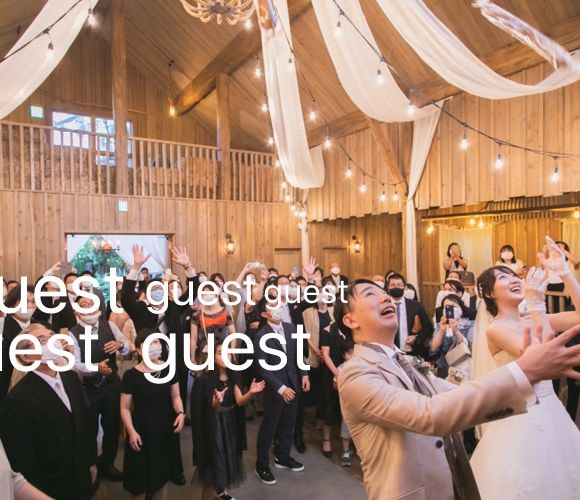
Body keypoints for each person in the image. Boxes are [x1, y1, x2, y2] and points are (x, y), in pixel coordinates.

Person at [334, 278, 580, 500]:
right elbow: (430, 414)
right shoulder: (355, 374)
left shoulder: (406, 361)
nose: (385, 297)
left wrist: (528, 377)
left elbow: (458, 393)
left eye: (383, 292)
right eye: (370, 294)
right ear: (350, 320)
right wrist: (524, 371)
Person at [470, 237, 580, 499]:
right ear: (490, 294)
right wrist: (536, 304)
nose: (513, 279)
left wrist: (565, 272)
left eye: (513, 275)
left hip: (553, 412)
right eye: (502, 277)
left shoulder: (532, 318)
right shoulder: (496, 330)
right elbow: (538, 357)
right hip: (521, 419)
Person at [0, 324, 97, 500]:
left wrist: (91, 462)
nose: (52, 342)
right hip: (51, 489)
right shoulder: (17, 401)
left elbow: (83, 424)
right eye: (42, 340)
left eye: (52, 336)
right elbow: (22, 463)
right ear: (25, 356)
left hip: (81, 478)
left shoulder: (71, 378)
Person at [191, 339, 265, 500]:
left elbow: (240, 401)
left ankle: (220, 491)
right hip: (213, 426)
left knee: (226, 459)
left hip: (230, 424)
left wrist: (251, 393)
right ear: (212, 357)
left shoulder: (234, 376)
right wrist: (218, 400)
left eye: (228, 352)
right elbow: (211, 406)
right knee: (212, 466)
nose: (225, 355)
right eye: (220, 353)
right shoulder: (205, 380)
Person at [70, 295, 131, 482]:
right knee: (89, 428)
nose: (88, 307)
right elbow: (75, 364)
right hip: (89, 387)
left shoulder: (110, 326)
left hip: (112, 385)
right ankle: (91, 467)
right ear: (77, 311)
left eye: (91, 303)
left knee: (112, 426)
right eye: (83, 304)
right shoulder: (72, 334)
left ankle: (107, 464)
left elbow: (128, 346)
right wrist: (96, 368)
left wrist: (120, 345)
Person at [120, 329, 185, 500]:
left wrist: (181, 413)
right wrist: (131, 431)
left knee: (161, 478)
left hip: (165, 429)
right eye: (148, 343)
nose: (154, 346)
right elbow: (124, 408)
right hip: (141, 431)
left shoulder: (169, 369)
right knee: (139, 484)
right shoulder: (131, 376)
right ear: (139, 350)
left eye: (156, 342)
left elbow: (176, 396)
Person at [254, 293, 310, 486]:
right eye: (272, 306)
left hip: (293, 384)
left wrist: (304, 375)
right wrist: (280, 387)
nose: (277, 308)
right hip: (275, 388)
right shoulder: (261, 336)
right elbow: (263, 368)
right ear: (265, 313)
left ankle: (282, 456)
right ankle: (261, 464)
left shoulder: (290, 328)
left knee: (288, 423)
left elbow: (298, 355)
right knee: (269, 427)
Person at [385, 273, 433, 358]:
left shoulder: (416, 306)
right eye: (393, 285)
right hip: (389, 353)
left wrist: (416, 337)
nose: (396, 287)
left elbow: (428, 328)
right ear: (388, 287)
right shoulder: (383, 306)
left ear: (404, 287)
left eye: (399, 285)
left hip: (413, 352)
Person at [430, 294, 475, 379]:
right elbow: (433, 350)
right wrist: (442, 330)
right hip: (445, 366)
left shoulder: (470, 324)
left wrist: (456, 331)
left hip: (465, 366)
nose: (450, 309)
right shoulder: (440, 325)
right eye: (446, 307)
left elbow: (470, 348)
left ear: (461, 308)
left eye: (453, 306)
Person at [333, 335, 355, 467]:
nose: (352, 356)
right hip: (347, 405)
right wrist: (341, 383)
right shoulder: (341, 368)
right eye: (349, 353)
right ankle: (346, 451)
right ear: (343, 355)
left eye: (355, 353)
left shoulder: (363, 367)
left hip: (363, 405)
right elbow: (334, 385)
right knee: (346, 428)